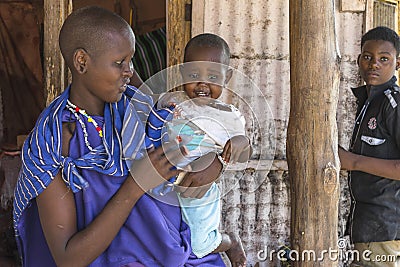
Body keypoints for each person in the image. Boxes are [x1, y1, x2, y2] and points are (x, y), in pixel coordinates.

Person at [12, 6, 226, 267]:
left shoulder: (138, 108)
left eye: (131, 61)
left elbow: (192, 146)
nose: (130, 71)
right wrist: (135, 186)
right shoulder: (53, 140)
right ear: (82, 62)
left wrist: (215, 162)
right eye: (119, 63)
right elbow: (68, 258)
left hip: (171, 250)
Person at [146, 33, 249, 267]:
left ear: (227, 76)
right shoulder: (170, 100)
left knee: (199, 245)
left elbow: (242, 150)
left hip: (199, 189)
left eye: (212, 76)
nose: (202, 84)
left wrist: (242, 143)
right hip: (166, 183)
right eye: (194, 75)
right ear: (182, 73)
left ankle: (229, 241)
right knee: (166, 238)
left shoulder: (228, 116)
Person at [338, 26, 400, 267]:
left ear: (397, 63)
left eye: (384, 59)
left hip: (385, 228)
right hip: (364, 226)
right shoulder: (367, 102)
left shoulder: (392, 104)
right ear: (359, 60)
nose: (374, 64)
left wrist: (353, 161)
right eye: (368, 57)